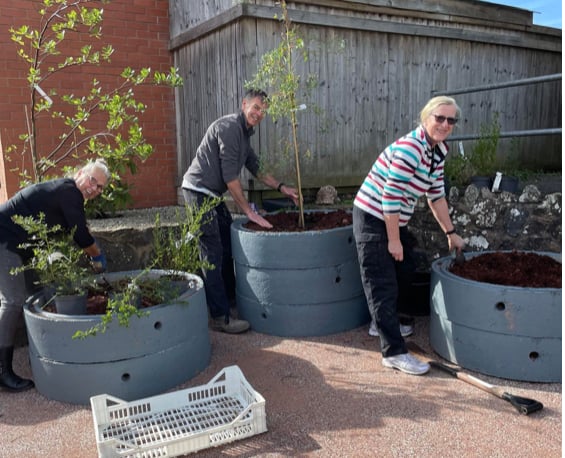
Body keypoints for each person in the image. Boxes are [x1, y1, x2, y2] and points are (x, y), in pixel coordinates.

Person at [353, 96, 465, 376]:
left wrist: (451, 233)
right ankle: (393, 352)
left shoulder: (438, 150)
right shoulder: (410, 149)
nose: (445, 124)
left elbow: (436, 195)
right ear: (425, 117)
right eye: (439, 117)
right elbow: (390, 196)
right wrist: (393, 240)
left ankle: (380, 323)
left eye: (451, 120)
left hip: (393, 218)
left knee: (406, 268)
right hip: (373, 215)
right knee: (382, 280)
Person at [182, 88, 299, 334]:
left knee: (226, 243)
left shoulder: (244, 135)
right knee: (211, 252)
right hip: (197, 191)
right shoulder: (229, 128)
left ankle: (227, 300)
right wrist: (249, 211)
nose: (259, 113)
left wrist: (281, 187)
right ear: (244, 104)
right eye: (256, 107)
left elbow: (256, 167)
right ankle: (219, 318)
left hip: (211, 194)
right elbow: (230, 178)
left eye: (263, 111)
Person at [0, 158, 110, 391]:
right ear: (80, 173)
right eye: (92, 180)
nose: (94, 188)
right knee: (13, 301)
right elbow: (81, 235)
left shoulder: (68, 194)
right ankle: (2, 371)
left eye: (100, 187)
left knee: (38, 294)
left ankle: (41, 353)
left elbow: (78, 227)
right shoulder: (69, 190)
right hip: (4, 240)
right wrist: (97, 256)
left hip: (20, 249)